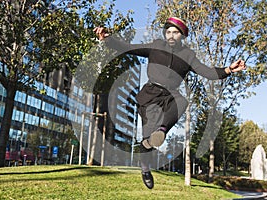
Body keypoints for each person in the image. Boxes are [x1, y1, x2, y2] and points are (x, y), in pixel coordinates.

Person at [94, 17, 246, 189]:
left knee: (181, 101)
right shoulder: (156, 45)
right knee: (147, 141)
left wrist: (228, 69)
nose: (171, 35)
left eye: (175, 32)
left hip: (170, 95)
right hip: (150, 95)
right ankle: (145, 168)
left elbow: (207, 72)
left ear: (182, 35)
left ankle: (162, 130)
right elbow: (128, 48)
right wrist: (108, 39)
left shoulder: (188, 55)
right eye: (168, 32)